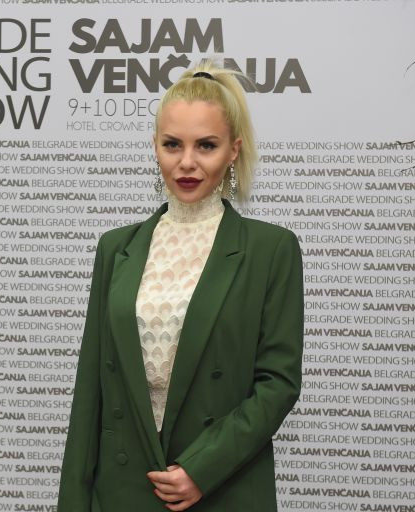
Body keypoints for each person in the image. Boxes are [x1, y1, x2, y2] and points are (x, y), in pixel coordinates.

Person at [57, 60, 303, 512]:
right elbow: (90, 393)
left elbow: (278, 384)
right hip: (123, 491)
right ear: (155, 146)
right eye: (173, 144)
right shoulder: (116, 248)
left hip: (221, 487)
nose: (187, 162)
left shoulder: (271, 249)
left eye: (206, 145)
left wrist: (201, 470)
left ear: (233, 150)